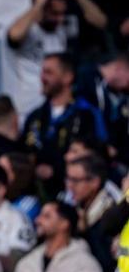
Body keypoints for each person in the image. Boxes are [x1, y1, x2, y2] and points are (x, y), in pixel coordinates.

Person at [4, 0, 106, 119]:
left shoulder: (63, 27)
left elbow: (101, 22)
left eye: (62, 13)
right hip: (24, 107)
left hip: (53, 108)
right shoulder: (27, 29)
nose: (59, 18)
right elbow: (14, 35)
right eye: (54, 13)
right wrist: (38, 5)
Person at [22, 53, 106, 195]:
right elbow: (26, 152)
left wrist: (56, 170)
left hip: (74, 191)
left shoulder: (87, 114)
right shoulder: (34, 116)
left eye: (49, 72)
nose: (42, 78)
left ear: (68, 77)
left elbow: (98, 154)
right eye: (42, 72)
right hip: (37, 192)